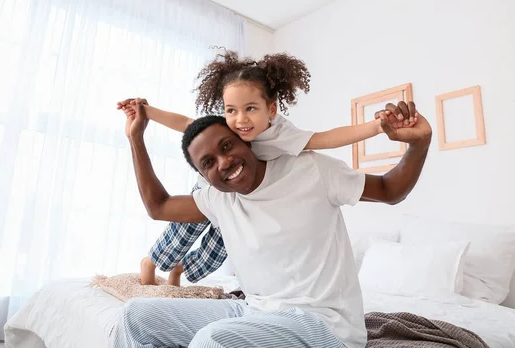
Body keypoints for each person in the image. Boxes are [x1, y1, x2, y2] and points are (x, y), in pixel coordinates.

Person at [115, 96, 432, 348]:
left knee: (212, 342)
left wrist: (419, 144)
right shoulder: (219, 198)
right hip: (254, 313)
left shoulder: (310, 170)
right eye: (209, 163)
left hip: (325, 327)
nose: (224, 162)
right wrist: (136, 137)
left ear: (246, 141)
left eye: (227, 147)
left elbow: (390, 191)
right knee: (136, 315)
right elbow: (158, 206)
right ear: (203, 177)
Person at [117, 50, 417, 286]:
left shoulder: (282, 135)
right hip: (215, 186)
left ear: (271, 109)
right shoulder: (228, 128)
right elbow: (186, 124)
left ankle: (180, 270)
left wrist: (377, 126)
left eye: (250, 109)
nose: (240, 120)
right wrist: (147, 111)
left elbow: (327, 138)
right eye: (231, 110)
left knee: (219, 249)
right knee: (186, 228)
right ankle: (153, 261)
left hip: (249, 198)